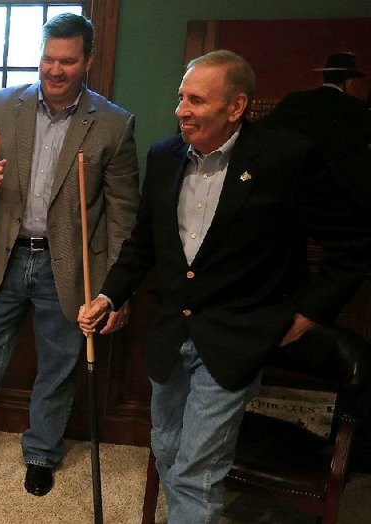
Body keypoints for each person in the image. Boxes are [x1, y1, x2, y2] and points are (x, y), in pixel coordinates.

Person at [78, 50, 371, 522]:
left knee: (198, 471)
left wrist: (310, 312)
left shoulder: (285, 159)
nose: (180, 110)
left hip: (236, 338)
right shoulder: (164, 156)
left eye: (195, 100)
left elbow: (354, 242)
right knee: (168, 450)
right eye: (180, 98)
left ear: (235, 107)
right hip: (172, 335)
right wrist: (111, 295)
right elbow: (143, 243)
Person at [0, 13, 140, 497]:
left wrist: (116, 290)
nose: (55, 70)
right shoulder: (1, 106)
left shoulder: (112, 124)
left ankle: (41, 453)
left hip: (67, 262)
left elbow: (125, 215)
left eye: (67, 61)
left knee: (59, 364)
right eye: (48, 59)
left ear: (88, 60)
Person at [260, 52, 371, 210]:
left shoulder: (295, 99)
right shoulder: (357, 109)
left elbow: (263, 129)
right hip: (338, 198)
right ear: (348, 81)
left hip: (293, 191)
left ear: (325, 76)